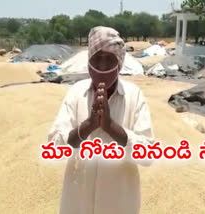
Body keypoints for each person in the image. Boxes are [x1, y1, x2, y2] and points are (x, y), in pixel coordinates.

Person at [48, 26, 154, 214]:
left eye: (110, 60)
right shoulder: (75, 93)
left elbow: (147, 156)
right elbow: (55, 145)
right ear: (88, 63)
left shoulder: (134, 96)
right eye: (97, 59)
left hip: (119, 206)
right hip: (77, 205)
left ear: (119, 64)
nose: (102, 68)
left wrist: (110, 126)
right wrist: (88, 126)